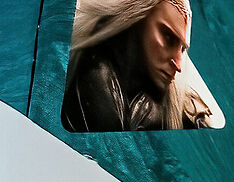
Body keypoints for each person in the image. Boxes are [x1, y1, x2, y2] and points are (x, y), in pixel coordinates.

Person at [61, 0, 216, 131]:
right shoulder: (94, 80)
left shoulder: (182, 110)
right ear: (136, 20)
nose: (179, 65)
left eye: (182, 49)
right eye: (168, 38)